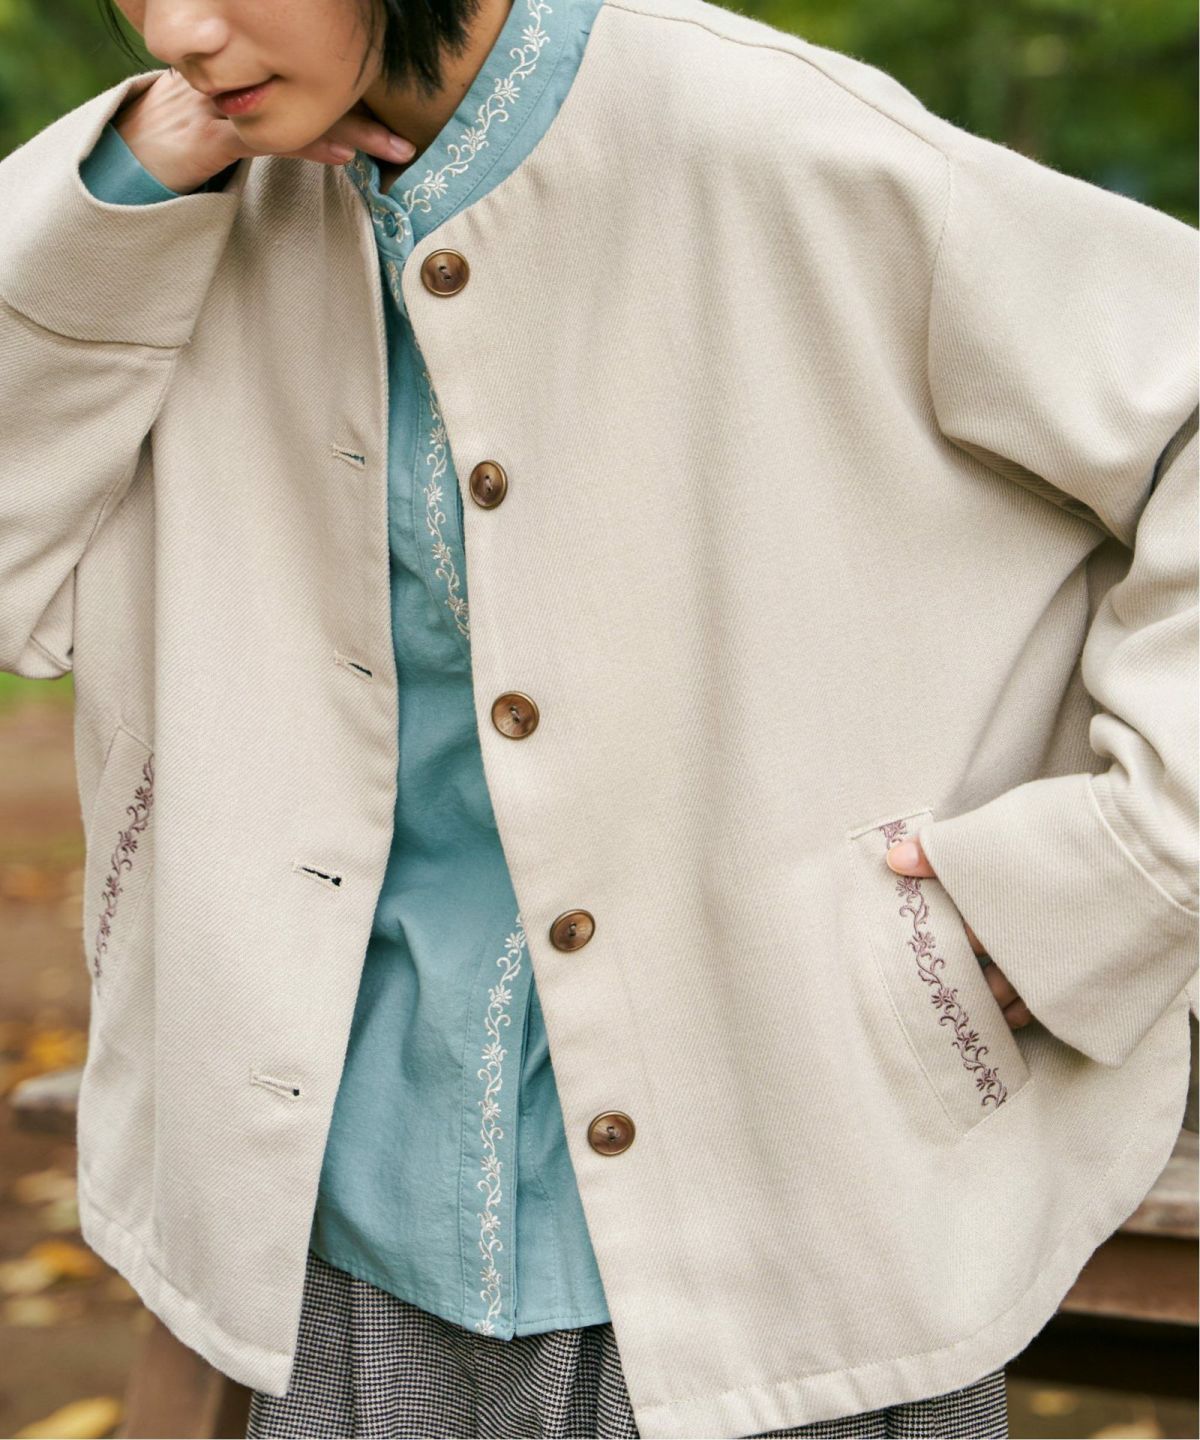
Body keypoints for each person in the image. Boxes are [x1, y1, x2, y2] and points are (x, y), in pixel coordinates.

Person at [0, 0, 1195, 1436]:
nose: (178, 28)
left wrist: (1119, 878)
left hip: (794, 1209)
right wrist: (124, 185)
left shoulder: (779, 145)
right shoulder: (180, 192)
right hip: (334, 1205)